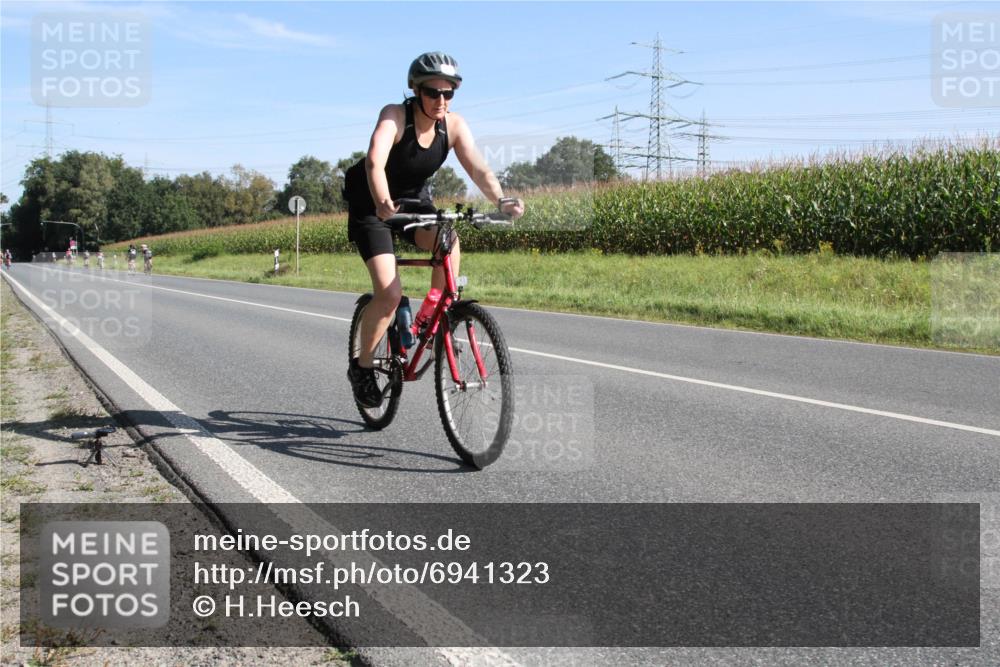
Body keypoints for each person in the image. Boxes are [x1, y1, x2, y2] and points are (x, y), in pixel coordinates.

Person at [342, 52, 524, 408]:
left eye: (448, 93)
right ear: (416, 90)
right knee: (390, 294)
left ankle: (431, 322)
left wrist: (501, 199)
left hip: (413, 202)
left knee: (448, 244)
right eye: (432, 92)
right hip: (372, 204)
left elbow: (478, 169)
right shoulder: (395, 116)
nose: (441, 100)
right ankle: (362, 367)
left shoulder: (453, 125)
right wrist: (381, 202)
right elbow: (375, 161)